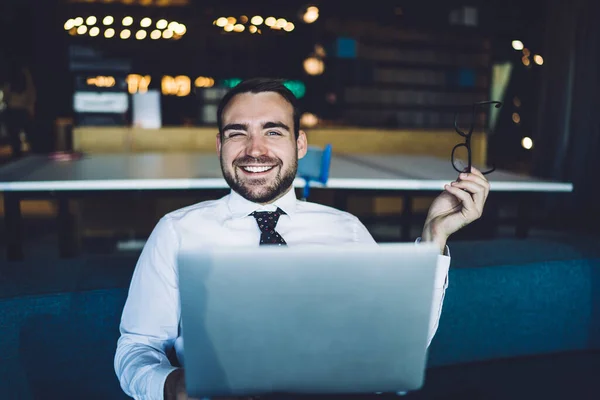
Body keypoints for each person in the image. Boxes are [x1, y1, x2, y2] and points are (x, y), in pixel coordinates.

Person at [114, 78, 491, 400]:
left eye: (273, 131)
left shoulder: (347, 229)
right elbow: (137, 349)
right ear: (219, 146)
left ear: (300, 144)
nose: (254, 149)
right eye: (237, 133)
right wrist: (173, 387)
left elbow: (396, 345)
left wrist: (433, 235)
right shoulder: (176, 230)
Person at [2, 60, 35, 159]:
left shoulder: (14, 78)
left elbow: (6, 95)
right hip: (21, 109)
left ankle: (18, 154)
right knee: (26, 134)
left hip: (14, 109)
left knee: (15, 136)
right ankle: (27, 154)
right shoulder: (24, 75)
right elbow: (31, 93)